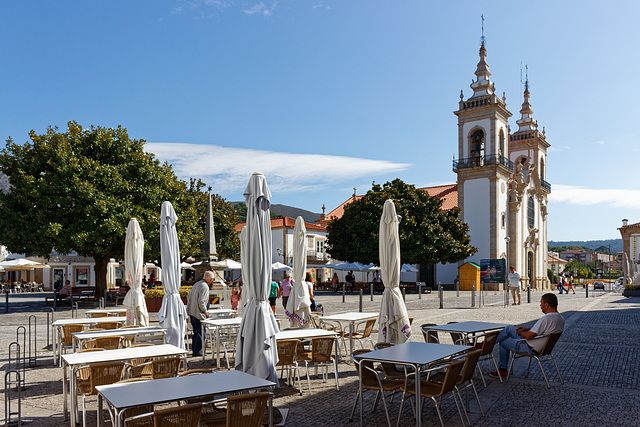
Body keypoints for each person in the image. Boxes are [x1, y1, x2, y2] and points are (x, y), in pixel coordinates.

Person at [490, 293, 565, 380]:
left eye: (541, 303)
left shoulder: (546, 319)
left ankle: (502, 370)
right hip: (543, 348)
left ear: (546, 305)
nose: (540, 305)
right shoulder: (560, 318)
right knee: (509, 328)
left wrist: (521, 332)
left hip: (529, 346)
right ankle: (486, 344)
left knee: (503, 342)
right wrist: (527, 329)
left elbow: (529, 336)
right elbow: (543, 331)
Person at [186, 270, 214, 357]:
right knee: (201, 333)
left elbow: (188, 296)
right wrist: (205, 311)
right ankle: (197, 351)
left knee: (196, 332)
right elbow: (202, 301)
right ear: (211, 279)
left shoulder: (197, 284)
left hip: (192, 312)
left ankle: (195, 350)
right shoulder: (204, 286)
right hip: (198, 313)